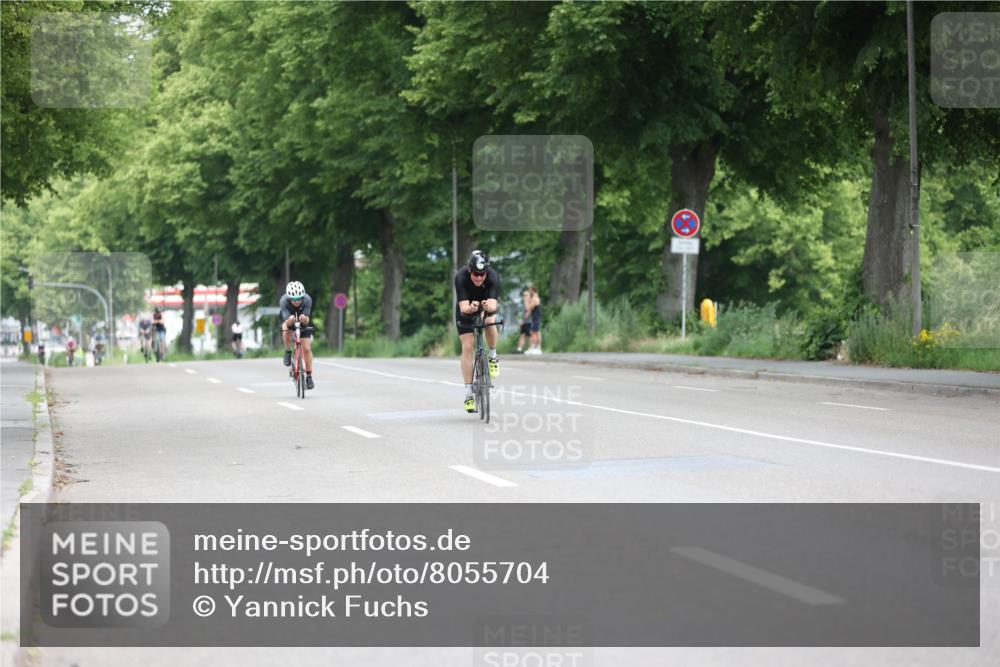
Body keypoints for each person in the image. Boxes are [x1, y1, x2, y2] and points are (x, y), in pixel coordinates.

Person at [455, 250, 500, 413]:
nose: (479, 278)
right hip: (466, 306)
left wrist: (488, 307)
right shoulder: (461, 277)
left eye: (482, 274)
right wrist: (471, 308)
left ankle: (493, 356)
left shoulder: (493, 276)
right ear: (469, 270)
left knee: (489, 321)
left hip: (486, 302)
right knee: (468, 346)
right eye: (475, 274)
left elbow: (494, 305)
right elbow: (463, 307)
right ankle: (468, 393)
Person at [280, 281, 315, 390]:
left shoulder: (307, 300)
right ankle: (288, 351)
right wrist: (289, 322)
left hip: (303, 320)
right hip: (288, 318)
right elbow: (285, 321)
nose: (297, 301)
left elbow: (307, 319)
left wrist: (304, 319)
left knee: (307, 349)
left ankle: (309, 376)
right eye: (294, 299)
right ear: (289, 298)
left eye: (299, 298)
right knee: (286, 330)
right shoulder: (284, 301)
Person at [526, 285, 543, 355]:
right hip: (535, 317)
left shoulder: (535, 298)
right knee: (535, 332)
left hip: (536, 317)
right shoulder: (534, 298)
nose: (529, 292)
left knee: (535, 332)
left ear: (533, 290)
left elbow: (529, 308)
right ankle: (535, 347)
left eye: (530, 290)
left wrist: (527, 300)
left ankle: (537, 348)